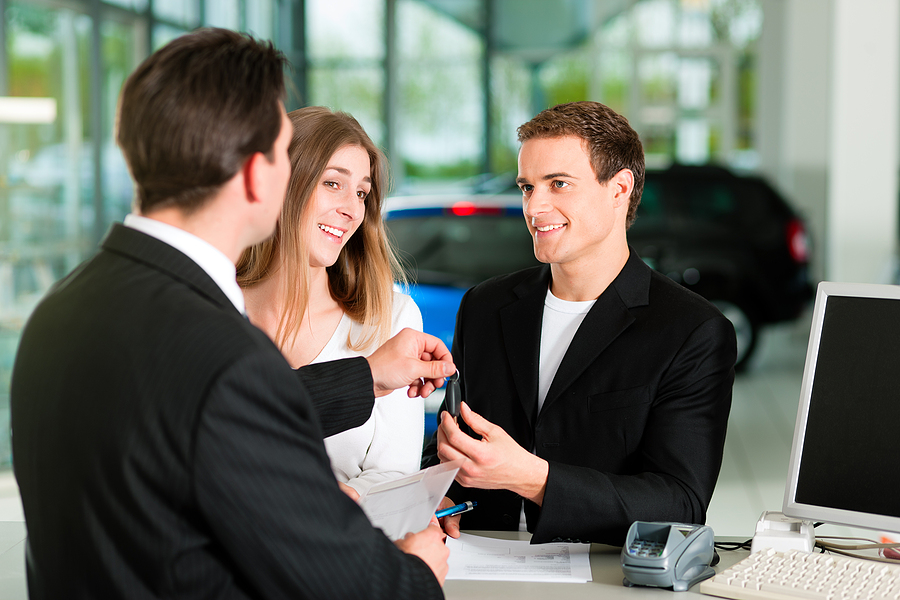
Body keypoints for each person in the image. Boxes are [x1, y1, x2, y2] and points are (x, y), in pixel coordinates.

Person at [11, 28, 453, 599]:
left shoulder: (61, 311)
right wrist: (418, 570)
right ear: (256, 173)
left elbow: (183, 426)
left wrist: (365, 375)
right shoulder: (227, 356)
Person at [424, 100, 736, 546]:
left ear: (619, 189)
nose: (536, 207)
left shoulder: (692, 331)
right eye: (528, 187)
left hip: (604, 576)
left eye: (559, 184)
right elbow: (449, 441)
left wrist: (534, 478)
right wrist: (433, 491)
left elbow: (681, 503)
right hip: (472, 562)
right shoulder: (484, 307)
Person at [237, 107, 424, 499]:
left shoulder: (390, 319)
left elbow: (394, 475)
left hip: (345, 549)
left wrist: (339, 503)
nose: (352, 208)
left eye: (361, 193)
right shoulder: (214, 309)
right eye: (333, 184)